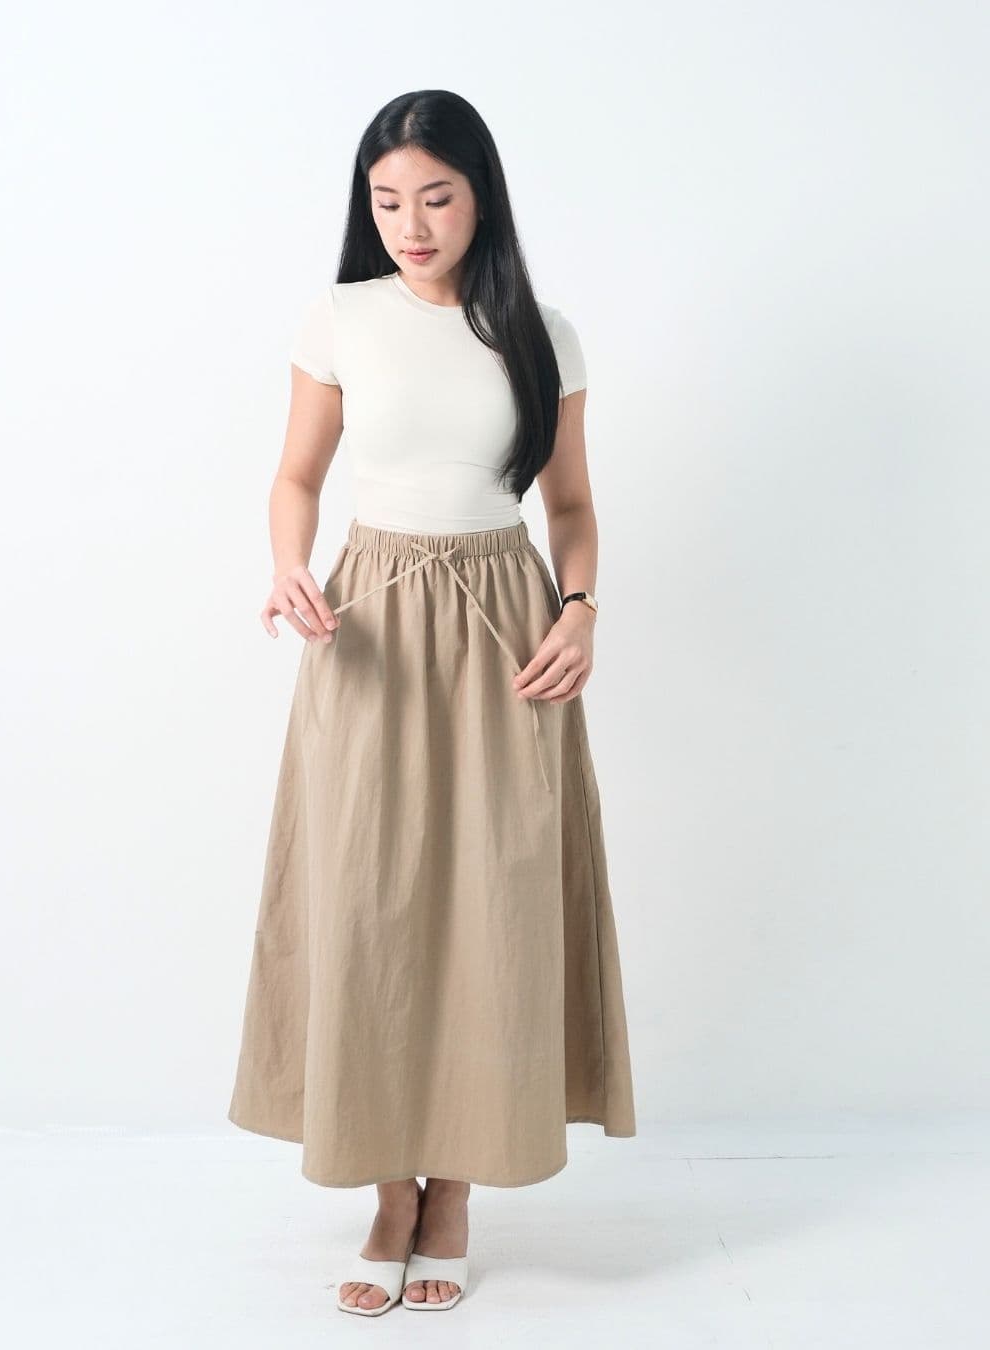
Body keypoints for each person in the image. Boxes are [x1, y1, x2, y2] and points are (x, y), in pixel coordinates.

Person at [227, 88, 636, 1317]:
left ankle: (451, 1190)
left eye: (437, 198)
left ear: (482, 198)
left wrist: (580, 610)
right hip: (370, 622)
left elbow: (572, 505)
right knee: (369, 899)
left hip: (508, 620)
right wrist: (289, 566)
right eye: (388, 201)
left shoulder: (543, 334)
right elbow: (296, 476)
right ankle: (387, 1190)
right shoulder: (342, 317)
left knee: (491, 902)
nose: (411, 225)